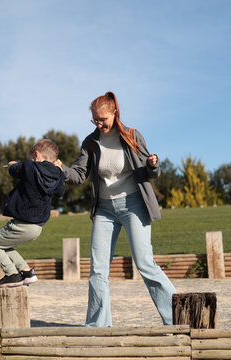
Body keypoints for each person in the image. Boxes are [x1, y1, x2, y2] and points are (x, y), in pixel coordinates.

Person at [59, 91, 177, 326]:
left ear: (114, 112)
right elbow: (78, 175)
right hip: (104, 209)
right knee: (98, 270)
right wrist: (58, 167)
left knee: (145, 264)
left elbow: (150, 172)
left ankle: (178, 316)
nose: (98, 124)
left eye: (102, 118)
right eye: (95, 119)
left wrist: (154, 165)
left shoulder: (132, 136)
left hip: (134, 205)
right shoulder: (90, 143)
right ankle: (97, 327)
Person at [0, 139, 65, 288]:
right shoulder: (58, 174)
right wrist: (60, 171)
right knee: (4, 245)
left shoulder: (30, 166)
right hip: (37, 227)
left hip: (22, 223)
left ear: (36, 154)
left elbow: (15, 170)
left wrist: (11, 165)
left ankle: (11, 275)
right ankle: (27, 273)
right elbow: (60, 191)